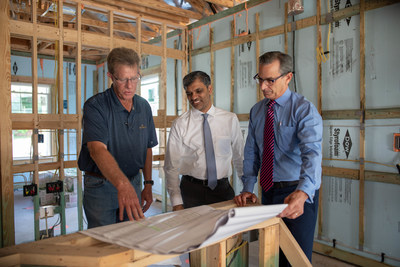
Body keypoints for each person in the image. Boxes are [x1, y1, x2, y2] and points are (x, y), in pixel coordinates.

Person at [234, 51, 322, 265]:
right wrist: (248, 187)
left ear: (288, 77)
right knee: (272, 254)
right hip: (269, 191)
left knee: (295, 258)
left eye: (270, 80)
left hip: (296, 193)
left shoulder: (303, 110)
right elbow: (251, 152)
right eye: (260, 79)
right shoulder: (257, 111)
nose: (263, 87)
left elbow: (312, 154)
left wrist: (303, 193)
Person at [78, 47, 158, 228]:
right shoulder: (96, 106)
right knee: (103, 241)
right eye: (123, 79)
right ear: (111, 77)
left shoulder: (143, 106)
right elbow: (97, 149)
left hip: (133, 182)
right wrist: (122, 185)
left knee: (130, 237)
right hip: (101, 186)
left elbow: (147, 147)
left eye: (134, 78)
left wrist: (147, 184)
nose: (130, 86)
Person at [164, 71, 244, 211]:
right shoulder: (180, 124)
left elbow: (240, 158)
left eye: (198, 91)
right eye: (189, 93)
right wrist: (176, 202)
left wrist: (247, 189)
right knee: (192, 233)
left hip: (222, 191)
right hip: (190, 193)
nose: (193, 97)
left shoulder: (229, 119)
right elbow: (171, 166)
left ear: (210, 89)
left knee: (224, 233)